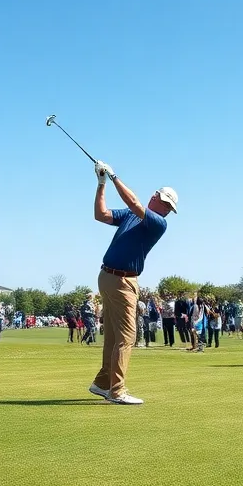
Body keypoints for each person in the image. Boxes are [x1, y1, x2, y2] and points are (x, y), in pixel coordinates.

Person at [85, 159, 176, 405]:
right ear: (155, 197)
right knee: (126, 337)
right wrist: (102, 183)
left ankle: (103, 383)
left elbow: (134, 203)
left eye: (170, 207)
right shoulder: (131, 215)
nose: (167, 209)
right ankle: (117, 391)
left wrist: (114, 177)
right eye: (166, 203)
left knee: (115, 337)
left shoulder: (158, 223)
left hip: (117, 279)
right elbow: (100, 215)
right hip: (117, 281)